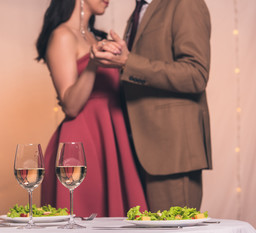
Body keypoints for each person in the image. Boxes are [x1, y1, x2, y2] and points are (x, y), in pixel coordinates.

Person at [90, 0, 212, 212]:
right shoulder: (139, 10)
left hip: (172, 152)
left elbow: (196, 75)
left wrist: (128, 62)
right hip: (136, 147)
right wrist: (113, 55)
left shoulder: (185, 3)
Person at [36, 0, 148, 217]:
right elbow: (70, 105)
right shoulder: (62, 35)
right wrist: (93, 64)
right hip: (83, 143)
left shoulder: (98, 37)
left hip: (114, 137)